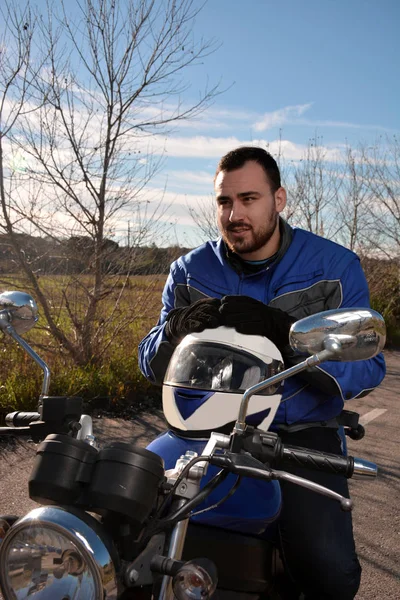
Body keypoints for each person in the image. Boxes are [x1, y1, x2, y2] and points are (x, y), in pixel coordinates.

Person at [138, 146, 386, 599]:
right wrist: (175, 329)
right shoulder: (189, 271)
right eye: (224, 202)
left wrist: (287, 335)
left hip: (300, 430)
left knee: (327, 569)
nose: (235, 214)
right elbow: (149, 361)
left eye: (249, 199)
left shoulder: (334, 267)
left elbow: (369, 364)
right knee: (125, 517)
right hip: (200, 427)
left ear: (279, 199)